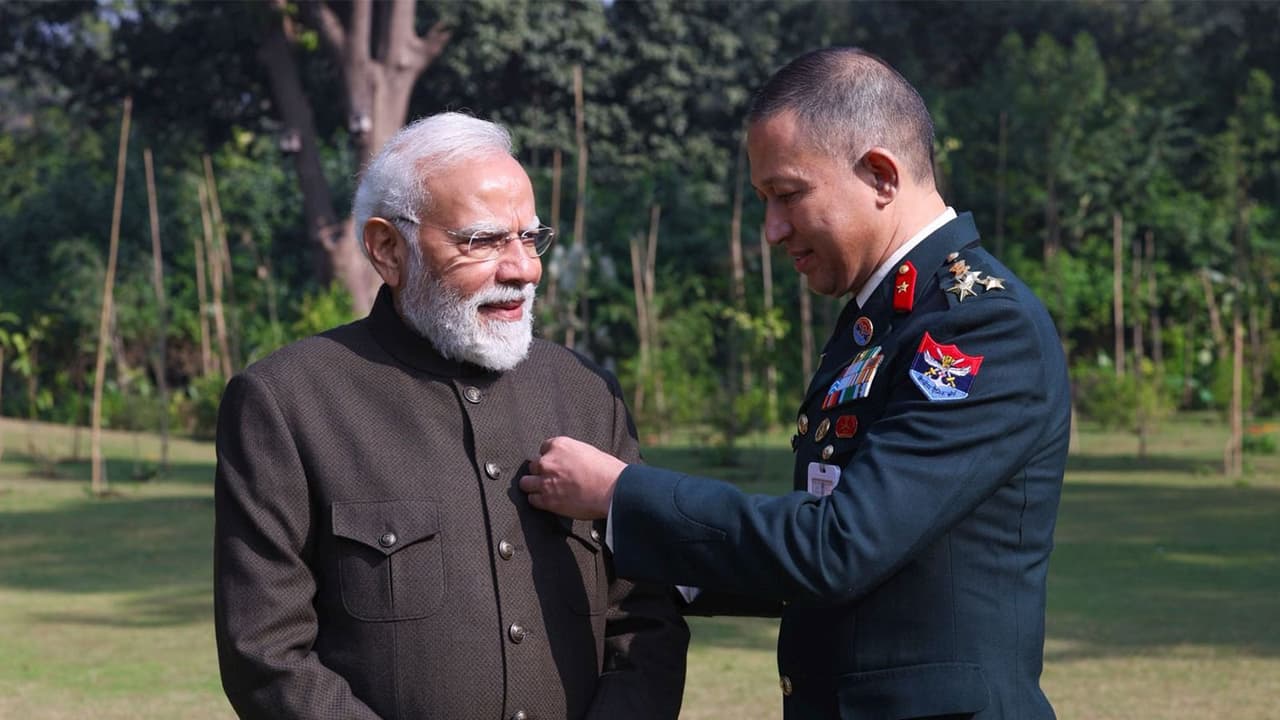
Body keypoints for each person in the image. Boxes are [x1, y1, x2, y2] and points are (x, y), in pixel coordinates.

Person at [521, 48, 1070, 720]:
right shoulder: (888, 317)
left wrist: (619, 494)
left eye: (787, 196)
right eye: (763, 202)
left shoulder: (979, 325)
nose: (772, 231)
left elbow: (839, 546)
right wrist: (675, 572)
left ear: (879, 174)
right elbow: (858, 554)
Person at [213, 112, 688, 720]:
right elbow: (267, 654)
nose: (522, 269)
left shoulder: (585, 392)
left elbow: (644, 614)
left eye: (530, 238)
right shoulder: (288, 402)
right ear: (388, 248)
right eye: (484, 241)